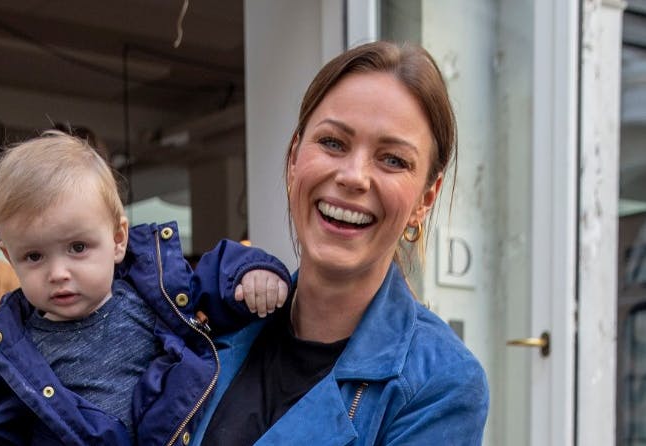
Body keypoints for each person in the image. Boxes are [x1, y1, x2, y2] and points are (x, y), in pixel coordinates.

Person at [192, 41, 489, 445]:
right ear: (295, 156)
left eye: (393, 159)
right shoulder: (224, 318)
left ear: (425, 200)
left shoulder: (440, 383)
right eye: (333, 143)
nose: (353, 176)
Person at [0, 131, 291, 445]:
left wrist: (252, 274)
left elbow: (215, 273)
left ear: (118, 240)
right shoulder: (11, 349)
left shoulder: (153, 289)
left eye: (78, 248)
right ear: (9, 257)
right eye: (34, 256)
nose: (58, 273)